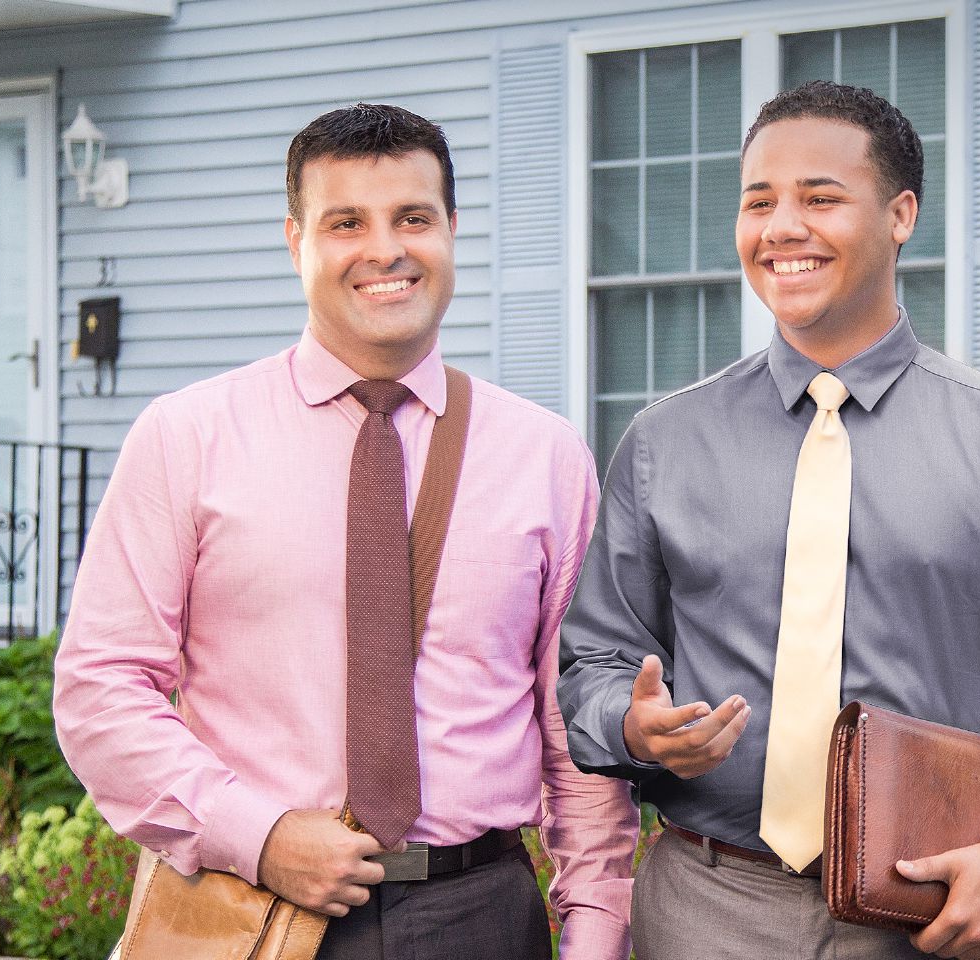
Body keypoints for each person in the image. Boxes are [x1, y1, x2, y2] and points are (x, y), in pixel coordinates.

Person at [557, 80, 980, 960]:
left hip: (943, 911)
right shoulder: (662, 443)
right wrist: (628, 723)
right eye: (758, 201)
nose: (781, 226)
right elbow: (596, 662)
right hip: (710, 910)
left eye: (820, 198)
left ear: (901, 214)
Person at [53, 103, 638, 960]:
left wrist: (595, 933)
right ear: (296, 240)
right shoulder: (187, 438)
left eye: (412, 217)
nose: (385, 249)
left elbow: (570, 726)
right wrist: (256, 834)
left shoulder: (546, 456)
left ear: (451, 231)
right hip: (247, 914)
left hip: (478, 916)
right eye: (345, 223)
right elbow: (99, 690)